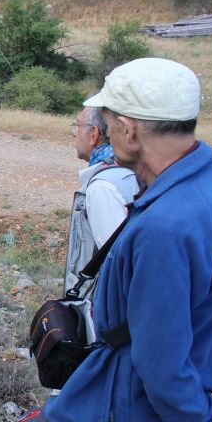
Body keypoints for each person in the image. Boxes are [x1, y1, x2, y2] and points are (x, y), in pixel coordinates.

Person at [0, 58, 212, 422]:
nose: (102, 132)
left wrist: (198, 414)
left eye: (107, 122)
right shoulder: (210, 179)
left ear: (129, 130)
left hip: (123, 392)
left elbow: (157, 355)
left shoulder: (167, 225)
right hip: (156, 402)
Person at [65, 106, 138, 299]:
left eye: (77, 126)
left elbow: (115, 262)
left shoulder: (102, 187)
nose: (74, 134)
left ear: (93, 134)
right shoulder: (129, 170)